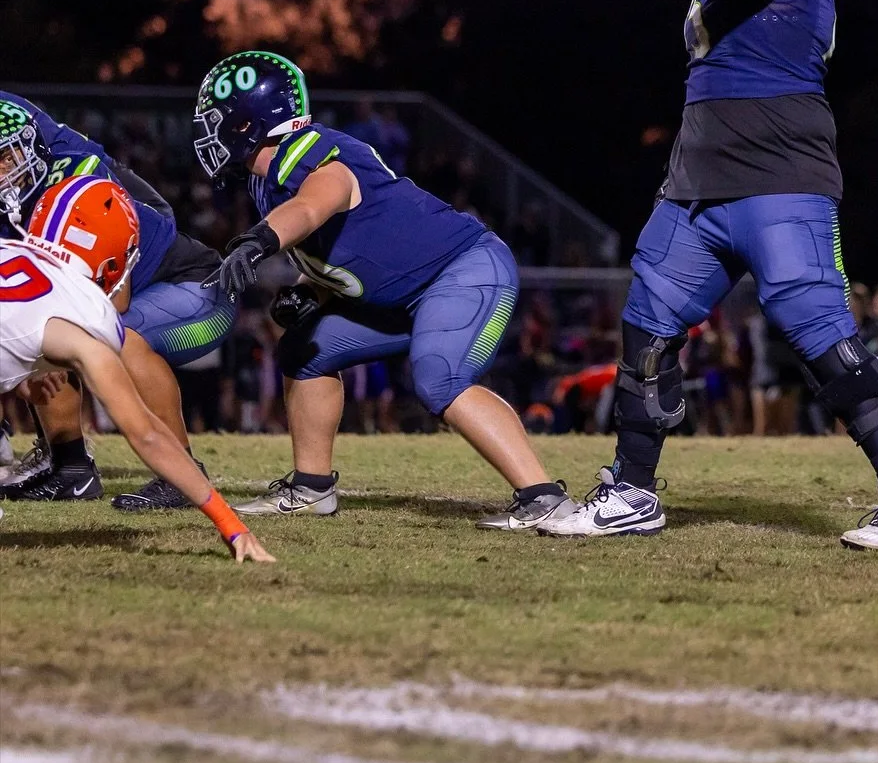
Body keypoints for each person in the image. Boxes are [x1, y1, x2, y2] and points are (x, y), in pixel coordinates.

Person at [543, 0, 878, 549]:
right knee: (647, 329)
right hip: (700, 172)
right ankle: (633, 489)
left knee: (819, 332)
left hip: (778, 168)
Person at [190, 51, 576, 529]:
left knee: (439, 379)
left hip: (462, 270)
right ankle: (311, 489)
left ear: (248, 122)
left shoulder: (311, 150)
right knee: (304, 350)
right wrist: (308, 289)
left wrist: (259, 241)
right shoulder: (265, 182)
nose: (207, 133)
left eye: (216, 120)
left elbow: (316, 204)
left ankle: (543, 498)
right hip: (404, 296)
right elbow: (359, 244)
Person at [0, 176, 271, 562]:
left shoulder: (8, 248)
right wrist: (230, 524)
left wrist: (26, 380)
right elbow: (147, 436)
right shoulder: (87, 314)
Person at [0, 93, 233, 507]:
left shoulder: (77, 187)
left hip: (192, 288)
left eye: (5, 156)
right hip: (114, 294)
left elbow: (113, 299)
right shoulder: (20, 193)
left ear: (29, 150)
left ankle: (180, 475)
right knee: (46, 329)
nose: (2, 168)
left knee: (111, 337)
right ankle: (69, 468)